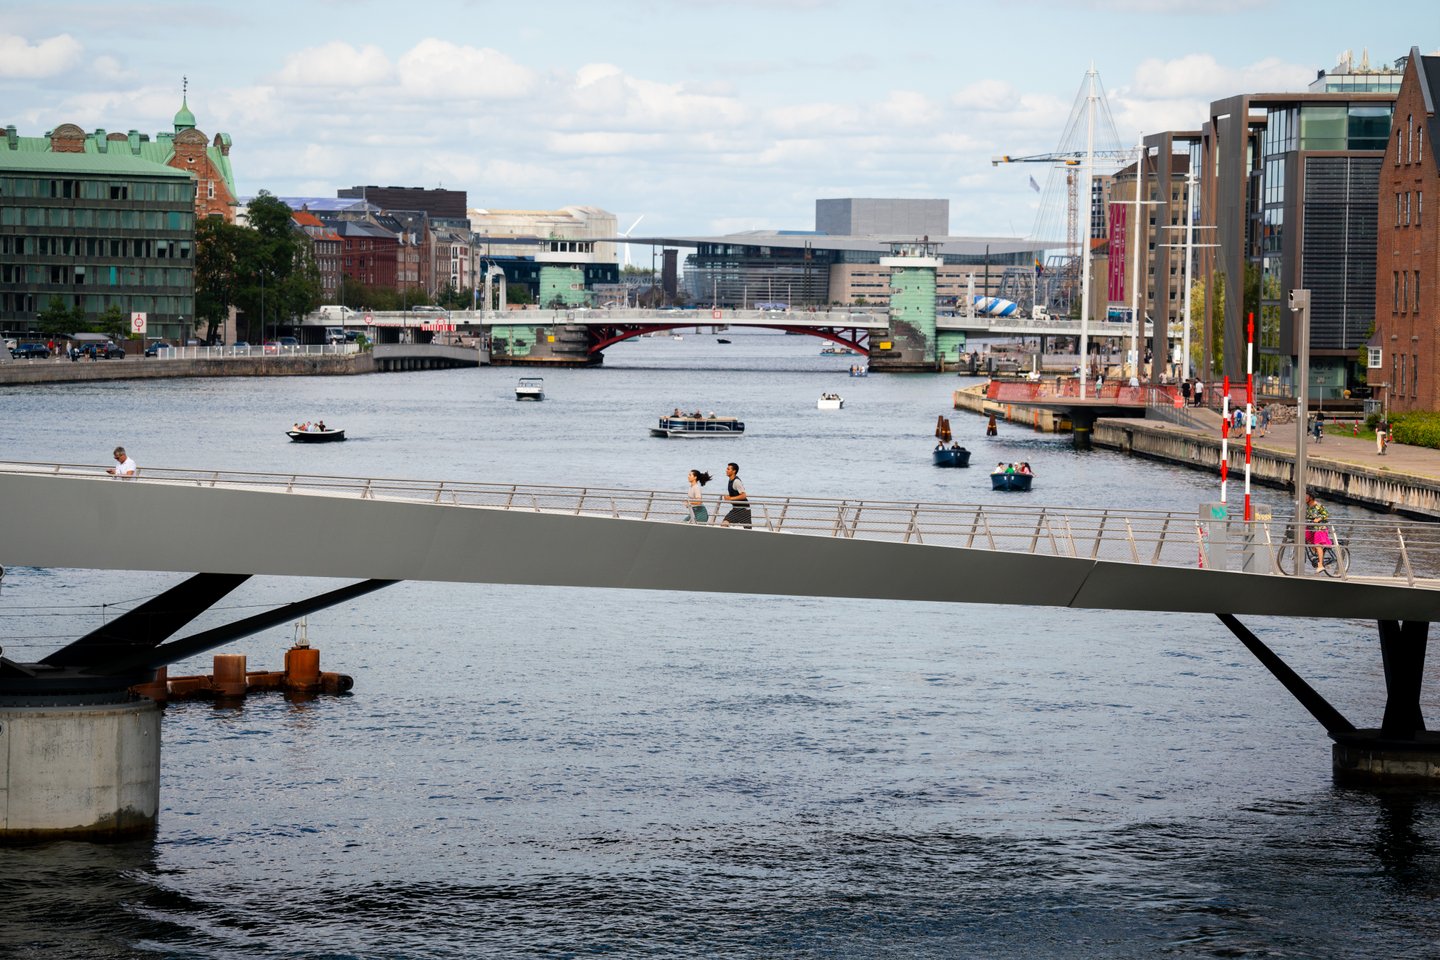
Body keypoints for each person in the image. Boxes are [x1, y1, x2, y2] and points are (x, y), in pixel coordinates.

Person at [1304, 490, 1332, 570]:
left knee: (1317, 544)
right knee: (1307, 539)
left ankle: (1320, 565)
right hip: (1311, 527)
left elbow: (1326, 514)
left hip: (1320, 528)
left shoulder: (1318, 506)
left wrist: (1319, 519)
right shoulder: (1307, 506)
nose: (1304, 497)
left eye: (1306, 496)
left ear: (1311, 497)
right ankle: (1318, 556)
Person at [720, 462, 751, 528]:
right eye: (727, 469)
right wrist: (729, 497)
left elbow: (743, 495)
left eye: (728, 469)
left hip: (744, 510)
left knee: (748, 530)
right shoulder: (730, 480)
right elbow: (735, 493)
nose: (726, 470)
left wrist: (730, 498)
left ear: (734, 471)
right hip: (736, 509)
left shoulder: (737, 481)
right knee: (724, 524)